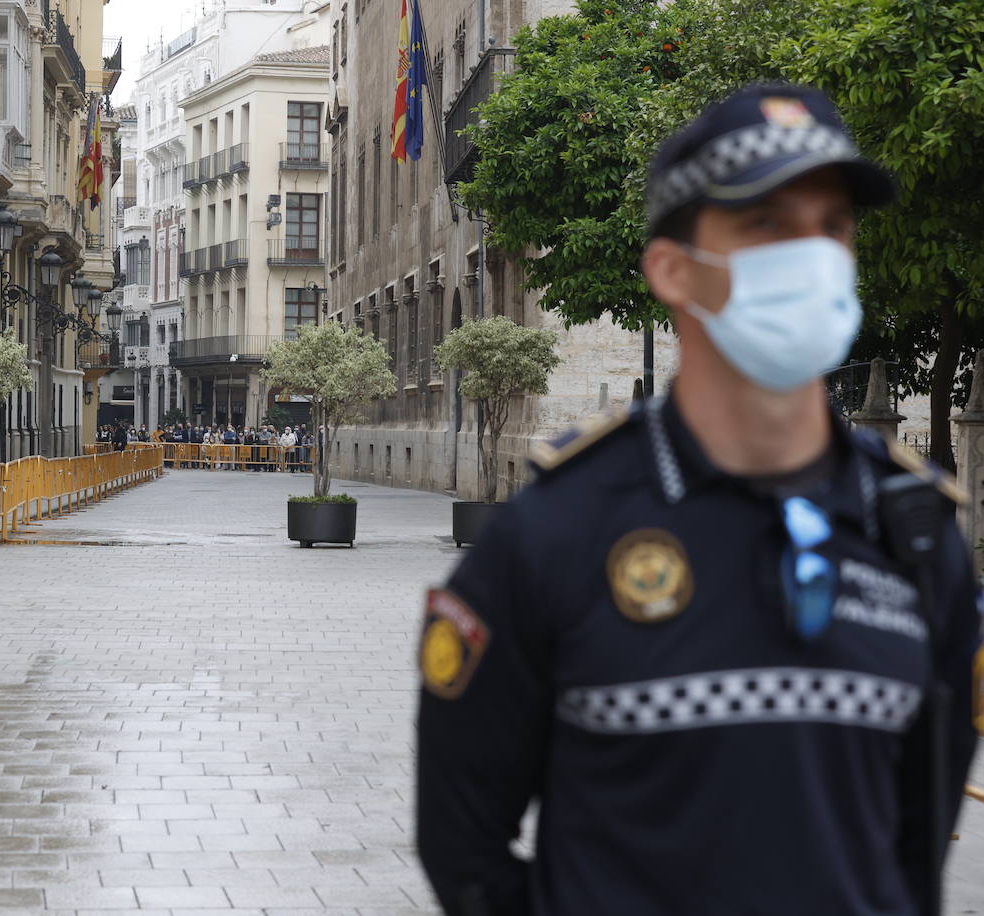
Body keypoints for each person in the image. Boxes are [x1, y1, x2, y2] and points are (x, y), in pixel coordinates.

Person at [416, 84, 980, 916]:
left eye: (832, 227)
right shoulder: (556, 531)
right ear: (673, 271)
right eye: (765, 226)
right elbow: (463, 849)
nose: (813, 256)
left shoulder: (917, 528)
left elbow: (914, 845)